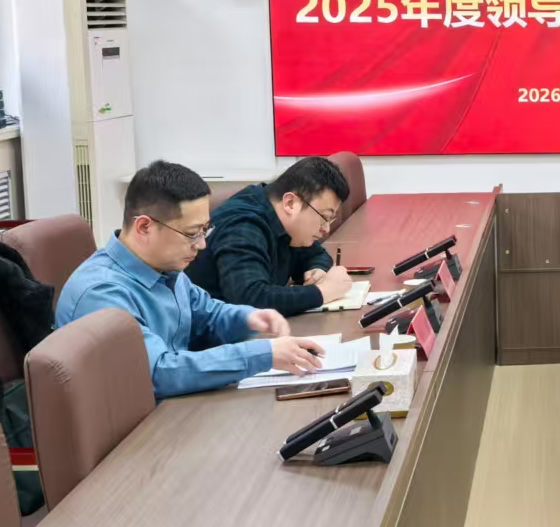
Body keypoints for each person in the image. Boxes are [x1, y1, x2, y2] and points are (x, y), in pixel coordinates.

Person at [56, 161, 324, 398]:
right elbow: (159, 373)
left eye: (205, 230)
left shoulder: (163, 267)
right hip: (139, 430)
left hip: (176, 408)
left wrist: (250, 318)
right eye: (192, 233)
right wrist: (263, 354)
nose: (202, 244)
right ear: (145, 227)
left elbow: (205, 313)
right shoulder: (102, 294)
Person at [188, 156, 354, 315]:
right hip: (208, 333)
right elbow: (250, 299)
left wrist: (317, 269)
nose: (326, 229)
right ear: (290, 203)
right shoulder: (243, 226)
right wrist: (323, 292)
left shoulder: (283, 220)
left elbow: (316, 254)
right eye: (324, 217)